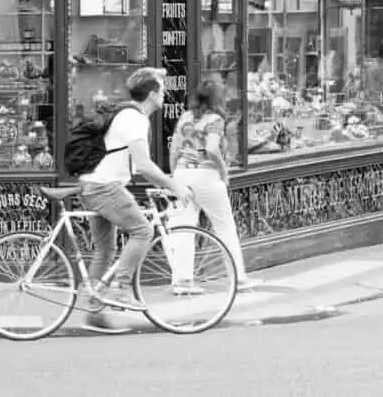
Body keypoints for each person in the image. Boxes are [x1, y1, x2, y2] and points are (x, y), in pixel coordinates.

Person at [79, 67, 191, 326]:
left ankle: (94, 313)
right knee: (142, 231)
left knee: (106, 250)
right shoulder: (134, 119)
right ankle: (121, 287)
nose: (164, 93)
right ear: (153, 94)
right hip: (104, 187)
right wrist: (174, 186)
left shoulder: (128, 114)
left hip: (93, 183)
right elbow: (143, 164)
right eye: (162, 89)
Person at [169, 80, 254, 293]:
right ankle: (238, 279)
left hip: (182, 173)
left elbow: (174, 149)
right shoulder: (215, 120)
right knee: (225, 227)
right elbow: (212, 149)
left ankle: (182, 281)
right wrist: (223, 172)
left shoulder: (185, 118)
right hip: (206, 175)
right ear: (218, 98)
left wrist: (175, 175)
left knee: (184, 228)